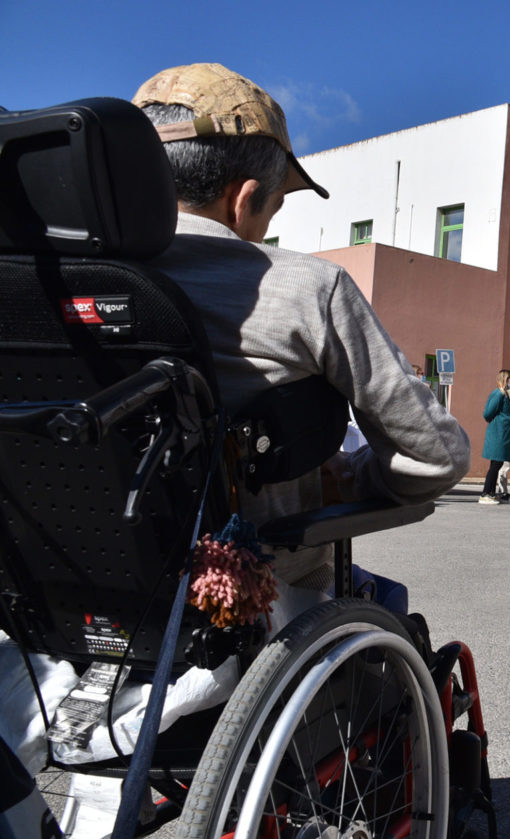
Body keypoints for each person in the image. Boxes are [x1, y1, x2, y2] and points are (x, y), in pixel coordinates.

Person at [135, 63, 469, 589]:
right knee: (389, 601)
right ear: (243, 199)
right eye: (275, 205)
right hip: (251, 590)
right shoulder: (309, 288)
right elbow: (435, 457)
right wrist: (347, 478)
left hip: (78, 585)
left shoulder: (47, 282)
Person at [479, 370, 510, 504]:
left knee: (498, 463)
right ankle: (485, 494)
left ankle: (491, 493)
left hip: (504, 434)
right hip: (498, 433)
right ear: (505, 379)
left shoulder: (507, 395)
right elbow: (487, 414)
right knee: (496, 463)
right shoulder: (498, 394)